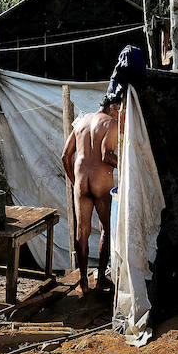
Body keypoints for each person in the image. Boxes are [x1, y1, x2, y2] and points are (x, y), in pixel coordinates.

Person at [61, 95, 121, 294]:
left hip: (81, 181)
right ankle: (101, 278)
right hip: (100, 180)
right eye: (120, 109)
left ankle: (84, 282)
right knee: (106, 229)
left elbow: (65, 156)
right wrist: (125, 163)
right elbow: (106, 155)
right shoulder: (111, 122)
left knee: (82, 232)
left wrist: (74, 181)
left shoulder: (81, 121)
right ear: (113, 108)